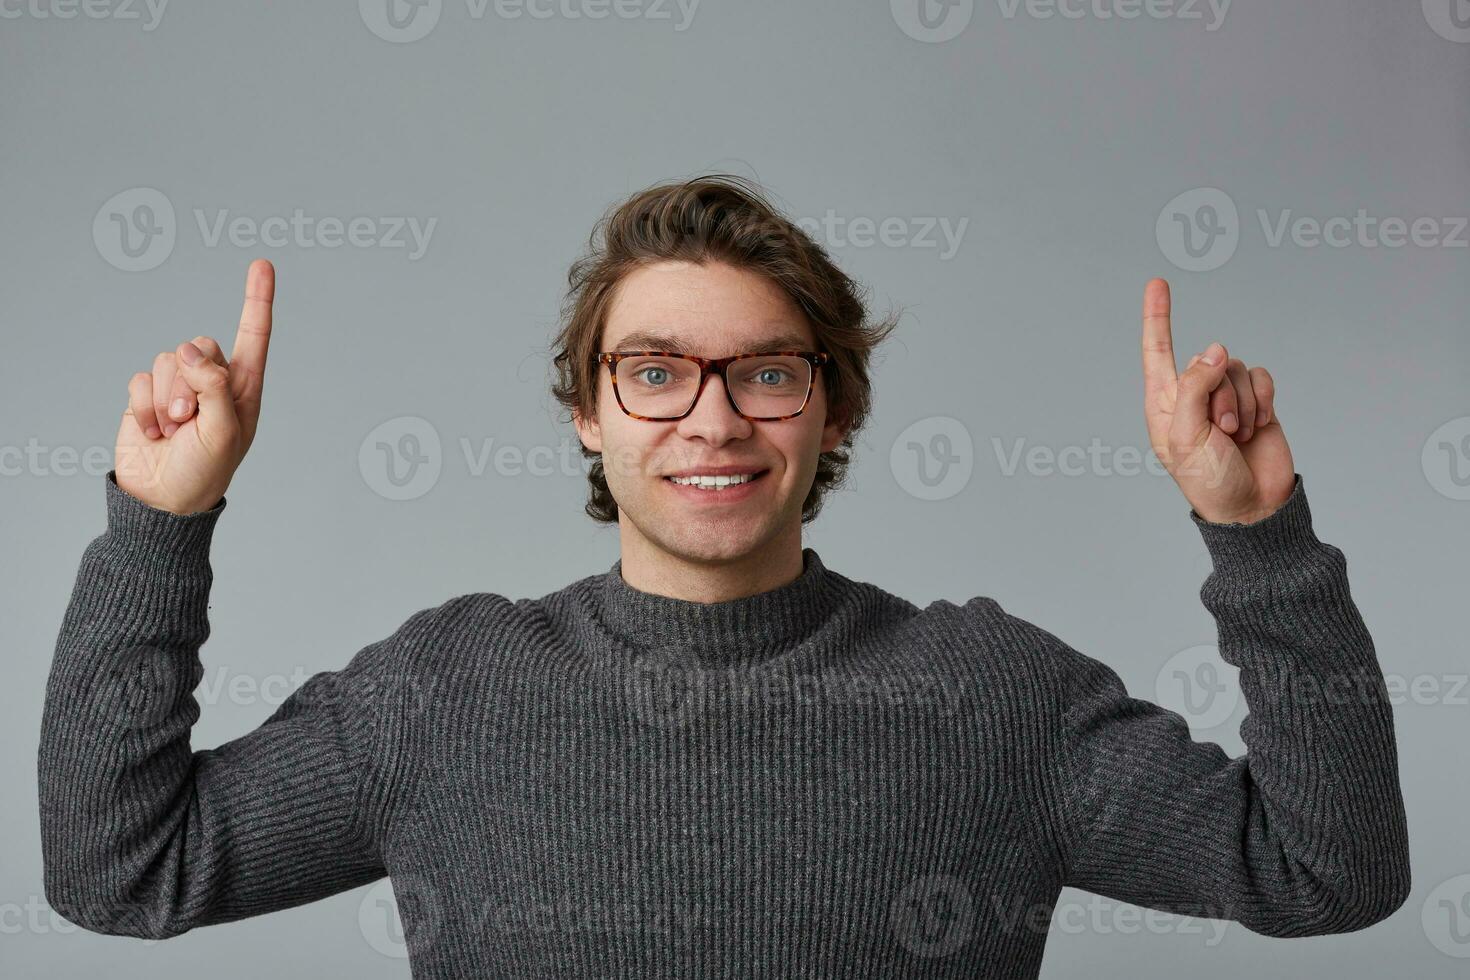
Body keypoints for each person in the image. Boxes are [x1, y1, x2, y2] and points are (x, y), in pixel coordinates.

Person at [38, 176, 1410, 978]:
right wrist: (163, 522)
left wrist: (1260, 538)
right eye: (653, 374)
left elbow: (1324, 874)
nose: (709, 420)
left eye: (763, 371)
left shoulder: (992, 695)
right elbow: (120, 872)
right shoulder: (444, 692)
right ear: (588, 410)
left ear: (832, 409)